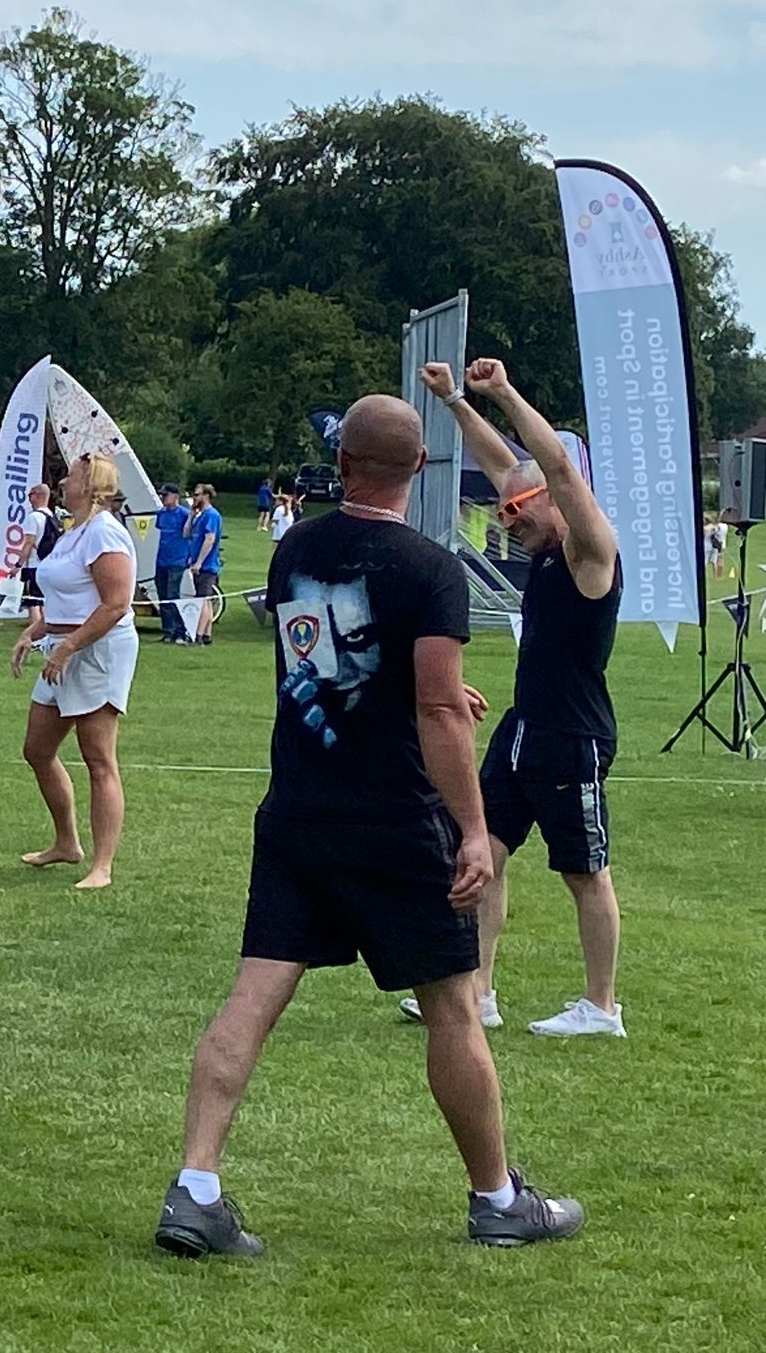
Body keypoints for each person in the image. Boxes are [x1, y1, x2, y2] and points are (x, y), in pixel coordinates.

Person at [154, 394, 583, 1259]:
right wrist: (471, 829)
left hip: (298, 812)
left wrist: (425, 694)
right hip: (393, 824)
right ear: (419, 472)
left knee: (251, 999)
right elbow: (437, 710)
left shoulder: (293, 550)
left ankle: (195, 1186)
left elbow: (324, 664)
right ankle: (498, 1199)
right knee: (453, 1011)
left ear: (341, 462)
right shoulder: (429, 568)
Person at [401, 359, 626, 1038]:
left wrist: (501, 390)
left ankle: (601, 1007)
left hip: (571, 735)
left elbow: (552, 468)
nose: (507, 524)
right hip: (522, 729)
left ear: (557, 503)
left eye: (517, 515)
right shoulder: (541, 528)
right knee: (483, 852)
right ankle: (479, 992)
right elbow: (513, 468)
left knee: (584, 871)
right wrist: (453, 404)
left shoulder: (591, 553)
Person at [9, 454, 136, 891]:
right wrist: (35, 631)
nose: (62, 482)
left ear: (92, 485)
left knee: (98, 759)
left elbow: (116, 604)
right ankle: (67, 842)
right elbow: (67, 594)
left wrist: (66, 647)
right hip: (61, 648)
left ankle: (103, 865)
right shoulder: (72, 532)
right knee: (37, 749)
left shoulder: (105, 533)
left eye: (71, 476)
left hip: (98, 652)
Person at [152, 483, 192, 645]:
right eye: (161, 495)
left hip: (177, 559)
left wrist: (189, 556)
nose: (162, 498)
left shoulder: (184, 514)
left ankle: (180, 630)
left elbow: (189, 535)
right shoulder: (161, 514)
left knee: (172, 595)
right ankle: (167, 631)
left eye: (165, 495)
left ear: (175, 496)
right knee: (162, 596)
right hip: (162, 558)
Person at [184, 483, 223, 645]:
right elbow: (186, 533)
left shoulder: (211, 515)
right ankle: (206, 634)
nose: (195, 498)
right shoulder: (200, 515)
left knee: (202, 599)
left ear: (206, 496)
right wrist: (191, 516)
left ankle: (198, 635)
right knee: (205, 599)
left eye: (197, 495)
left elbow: (210, 539)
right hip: (197, 563)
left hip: (207, 565)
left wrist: (199, 562)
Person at [17, 484, 54, 606]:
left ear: (38, 496)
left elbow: (28, 543)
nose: (29, 499)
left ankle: (34, 624)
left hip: (33, 565)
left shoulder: (33, 517)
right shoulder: (52, 517)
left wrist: (18, 565)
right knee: (43, 602)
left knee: (33, 604)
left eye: (30, 495)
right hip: (48, 564)